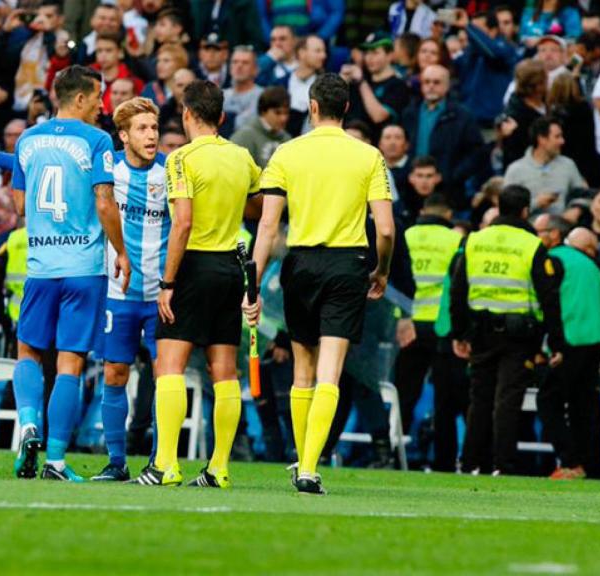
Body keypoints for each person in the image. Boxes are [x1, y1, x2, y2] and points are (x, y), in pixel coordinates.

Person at [245, 73, 395, 494]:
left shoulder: (286, 153)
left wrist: (252, 286)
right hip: (349, 264)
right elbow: (384, 228)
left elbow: (268, 226)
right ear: (347, 108)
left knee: (302, 371)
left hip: (301, 264)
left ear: (311, 107)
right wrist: (381, 270)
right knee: (331, 370)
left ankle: (301, 460)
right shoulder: (368, 156)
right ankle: (310, 466)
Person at [134, 79, 263, 488]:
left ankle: (165, 465)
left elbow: (183, 222)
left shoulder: (180, 159)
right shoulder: (242, 157)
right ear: (222, 117)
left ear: (187, 114)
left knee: (168, 365)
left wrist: (167, 282)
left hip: (194, 267)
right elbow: (257, 205)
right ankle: (218, 468)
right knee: (224, 371)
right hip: (231, 267)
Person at [6, 65, 129, 482]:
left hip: (40, 266)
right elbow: (105, 203)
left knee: (28, 352)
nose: (102, 105)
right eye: (98, 97)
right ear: (80, 99)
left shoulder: (26, 139)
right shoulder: (97, 141)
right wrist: (122, 252)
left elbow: (20, 206)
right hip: (83, 269)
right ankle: (56, 461)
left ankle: (27, 422)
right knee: (69, 364)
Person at [449, 185, 563, 475]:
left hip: (481, 331)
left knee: (480, 398)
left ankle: (472, 462)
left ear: (499, 207)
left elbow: (458, 289)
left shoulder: (475, 240)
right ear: (526, 210)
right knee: (507, 400)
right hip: (519, 335)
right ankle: (503, 464)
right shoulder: (532, 245)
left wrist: (459, 333)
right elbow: (548, 297)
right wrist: (556, 341)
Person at [89, 98, 168, 482]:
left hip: (160, 296)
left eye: (154, 127)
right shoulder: (109, 172)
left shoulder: (171, 172)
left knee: (165, 377)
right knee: (115, 373)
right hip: (118, 295)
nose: (151, 135)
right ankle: (116, 462)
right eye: (142, 128)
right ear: (123, 136)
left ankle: (160, 461)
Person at [392, 194, 465, 466]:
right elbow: (459, 287)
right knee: (445, 398)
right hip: (440, 326)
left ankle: (394, 456)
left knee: (403, 397)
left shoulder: (405, 236)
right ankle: (443, 461)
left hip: (406, 325)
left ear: (423, 211)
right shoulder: (455, 240)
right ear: (448, 215)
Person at [538, 227, 600, 479]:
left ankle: (570, 461)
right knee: (583, 405)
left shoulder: (556, 259)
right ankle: (589, 465)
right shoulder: (594, 269)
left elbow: (549, 302)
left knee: (548, 400)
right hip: (594, 342)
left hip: (569, 339)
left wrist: (551, 345)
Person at [400, 64, 485, 208]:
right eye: (427, 82)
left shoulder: (462, 116)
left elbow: (477, 152)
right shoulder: (410, 113)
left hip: (449, 191)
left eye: (436, 82)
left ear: (447, 86)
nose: (431, 86)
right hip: (412, 189)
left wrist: (453, 175)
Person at [503, 116, 586, 214]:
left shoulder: (568, 165)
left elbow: (583, 195)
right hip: (527, 227)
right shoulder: (515, 170)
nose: (562, 141)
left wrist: (576, 210)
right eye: (557, 137)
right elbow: (507, 209)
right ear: (542, 139)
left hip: (562, 225)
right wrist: (536, 203)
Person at [343, 32, 411, 133]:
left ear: (390, 55)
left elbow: (378, 116)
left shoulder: (398, 85)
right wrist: (342, 83)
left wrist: (361, 81)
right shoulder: (357, 81)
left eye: (375, 52)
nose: (369, 58)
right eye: (367, 52)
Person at [232, 86, 292, 168]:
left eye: (286, 113)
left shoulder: (288, 139)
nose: (283, 118)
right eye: (278, 113)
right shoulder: (243, 138)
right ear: (263, 111)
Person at [278, 35, 327, 136]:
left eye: (324, 51)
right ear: (302, 53)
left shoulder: (326, 86)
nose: (323, 56)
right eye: (318, 51)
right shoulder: (280, 83)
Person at [224, 46, 264, 131]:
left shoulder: (264, 97)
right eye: (235, 62)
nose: (239, 66)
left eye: (245, 63)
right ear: (230, 67)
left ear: (255, 70)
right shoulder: (220, 96)